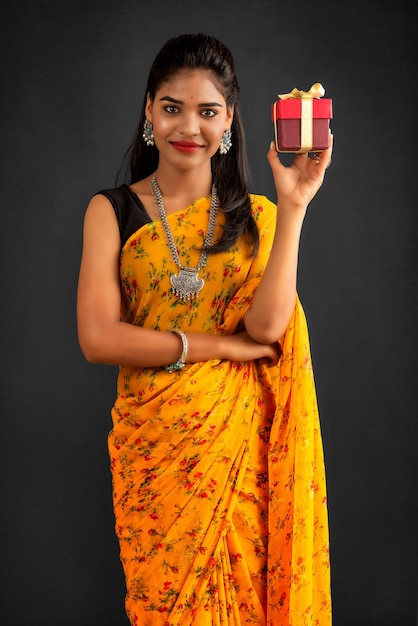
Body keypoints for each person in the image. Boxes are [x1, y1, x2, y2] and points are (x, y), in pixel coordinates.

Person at [77, 33, 333, 626]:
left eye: (207, 111)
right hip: (156, 455)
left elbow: (269, 327)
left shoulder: (257, 218)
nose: (187, 127)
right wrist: (220, 347)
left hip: (238, 452)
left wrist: (294, 206)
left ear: (230, 120)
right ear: (149, 110)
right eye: (172, 108)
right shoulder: (112, 211)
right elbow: (97, 337)